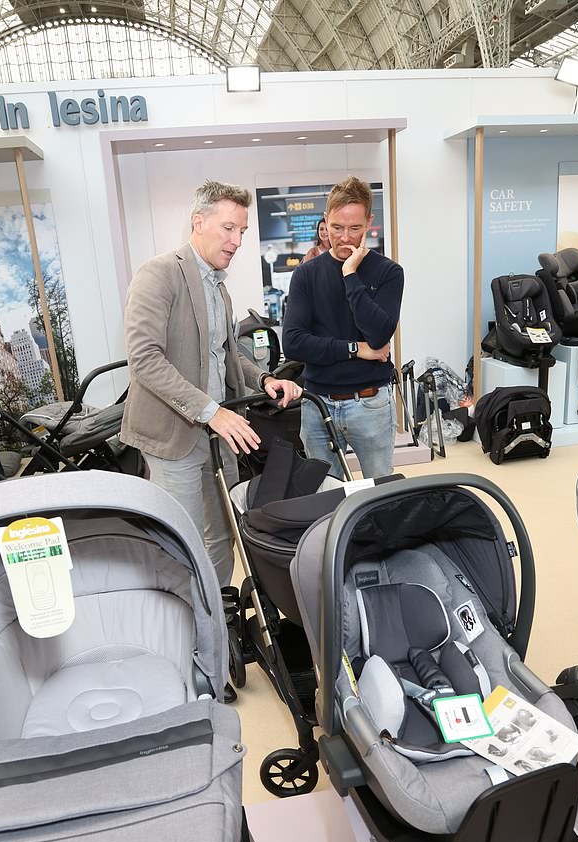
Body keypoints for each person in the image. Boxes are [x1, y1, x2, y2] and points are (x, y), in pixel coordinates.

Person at [121, 179, 302, 591]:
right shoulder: (160, 274)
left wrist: (265, 378)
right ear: (198, 222)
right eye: (228, 228)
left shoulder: (218, 286)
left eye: (242, 231)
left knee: (224, 533)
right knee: (181, 541)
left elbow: (226, 355)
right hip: (175, 436)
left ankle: (217, 615)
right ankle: (187, 626)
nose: (237, 241)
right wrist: (212, 412)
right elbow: (145, 360)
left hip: (219, 433)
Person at [282, 176, 404, 479]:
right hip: (317, 405)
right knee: (326, 498)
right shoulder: (306, 275)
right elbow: (294, 343)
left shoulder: (389, 272)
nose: (345, 238)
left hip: (371, 404)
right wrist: (356, 350)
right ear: (326, 220)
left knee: (381, 494)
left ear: (369, 223)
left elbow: (378, 335)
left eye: (354, 229)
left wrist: (350, 275)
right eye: (336, 228)